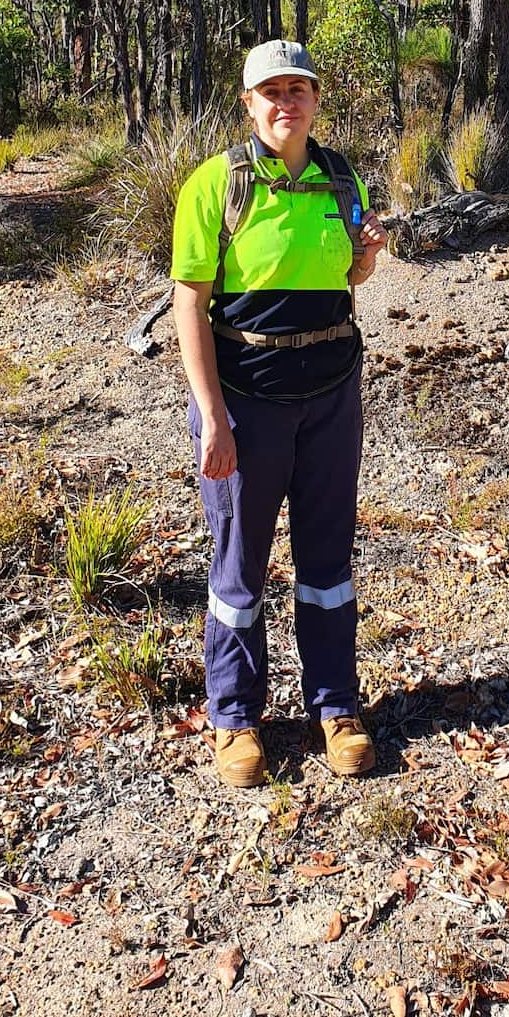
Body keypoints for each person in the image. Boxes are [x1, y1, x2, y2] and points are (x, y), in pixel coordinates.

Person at [170, 39, 388, 789]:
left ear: (317, 99)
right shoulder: (215, 184)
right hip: (247, 400)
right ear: (249, 102)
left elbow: (349, 275)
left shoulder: (340, 176)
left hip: (331, 394)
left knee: (328, 562)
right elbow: (190, 302)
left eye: (298, 89)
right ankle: (234, 717)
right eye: (271, 91)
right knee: (239, 566)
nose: (285, 102)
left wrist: (364, 259)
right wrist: (213, 417)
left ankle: (336, 706)